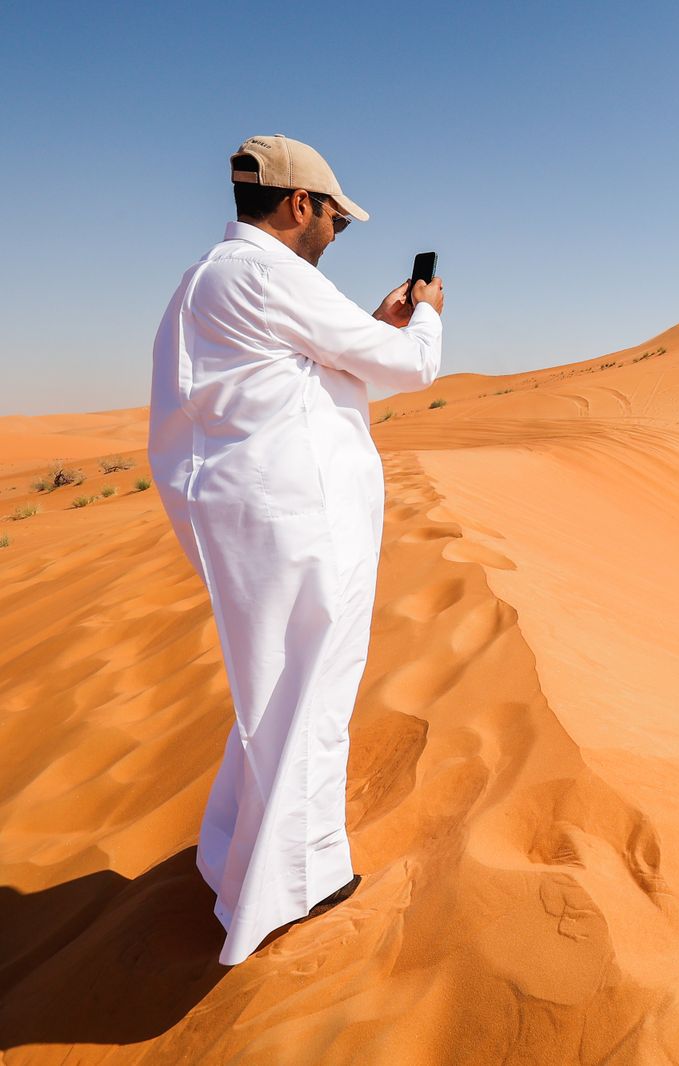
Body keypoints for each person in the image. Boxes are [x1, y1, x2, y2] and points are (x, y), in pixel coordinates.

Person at [147, 134, 445, 966]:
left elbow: (307, 369)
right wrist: (425, 316)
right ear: (299, 204)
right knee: (313, 690)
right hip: (302, 524)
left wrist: (372, 326)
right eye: (336, 219)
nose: (335, 234)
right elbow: (408, 368)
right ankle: (297, 883)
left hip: (256, 521)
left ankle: (237, 859)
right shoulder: (269, 275)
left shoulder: (208, 278)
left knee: (276, 690)